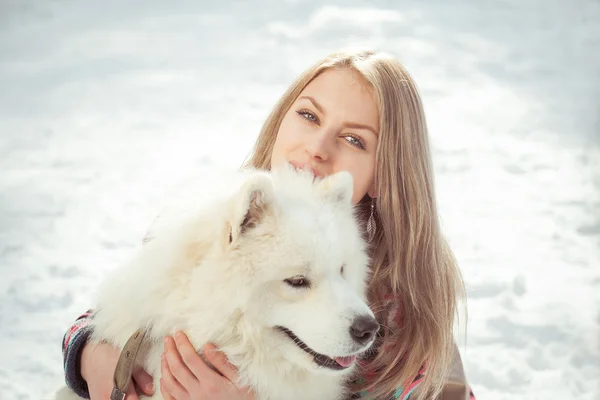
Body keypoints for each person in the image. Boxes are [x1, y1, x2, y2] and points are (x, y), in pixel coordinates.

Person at [61, 48, 476, 400]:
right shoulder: (214, 217)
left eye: (354, 140)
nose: (317, 148)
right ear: (282, 118)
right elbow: (113, 310)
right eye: (310, 116)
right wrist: (91, 353)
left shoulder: (406, 305)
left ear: (387, 171)